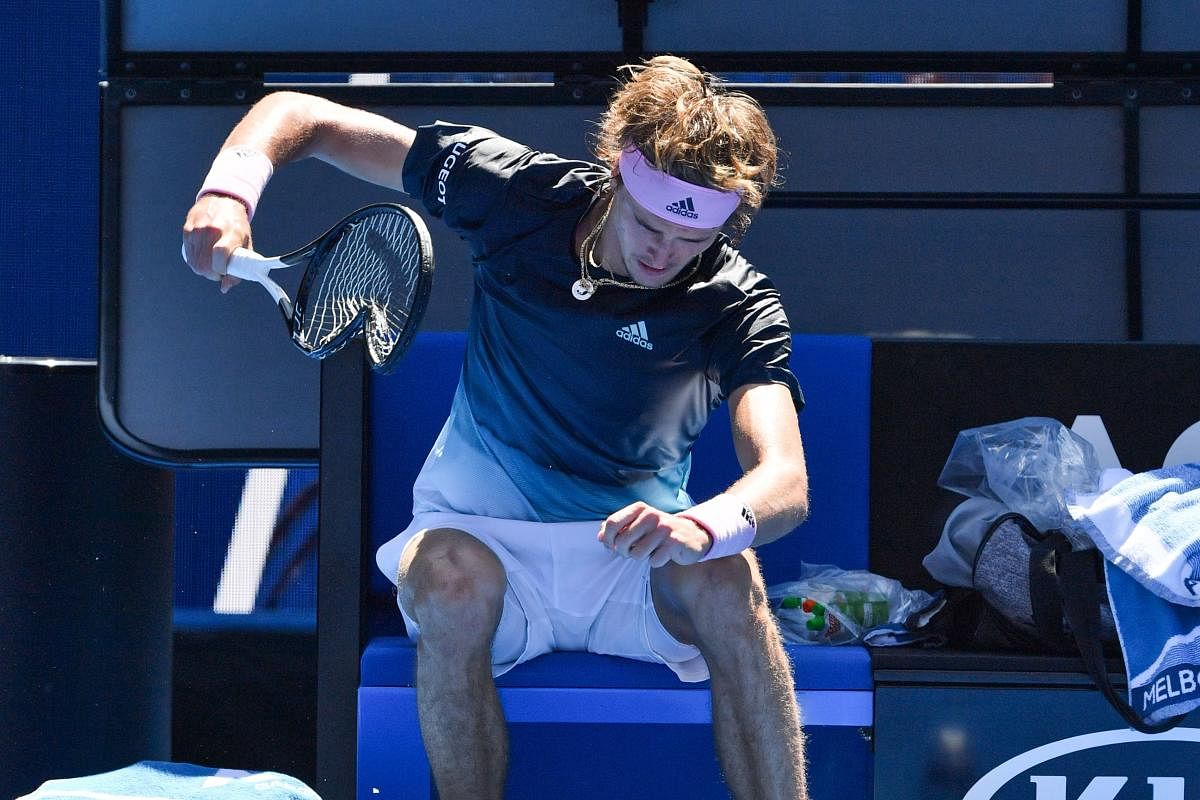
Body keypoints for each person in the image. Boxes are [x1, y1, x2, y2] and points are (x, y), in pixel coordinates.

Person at [182, 55, 811, 800]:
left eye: (689, 240)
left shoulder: (736, 301)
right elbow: (303, 115)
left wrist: (701, 528)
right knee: (447, 582)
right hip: (481, 541)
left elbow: (785, 481)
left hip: (633, 557)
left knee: (728, 575)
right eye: (647, 224)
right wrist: (229, 191)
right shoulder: (517, 194)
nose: (661, 253)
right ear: (617, 169)